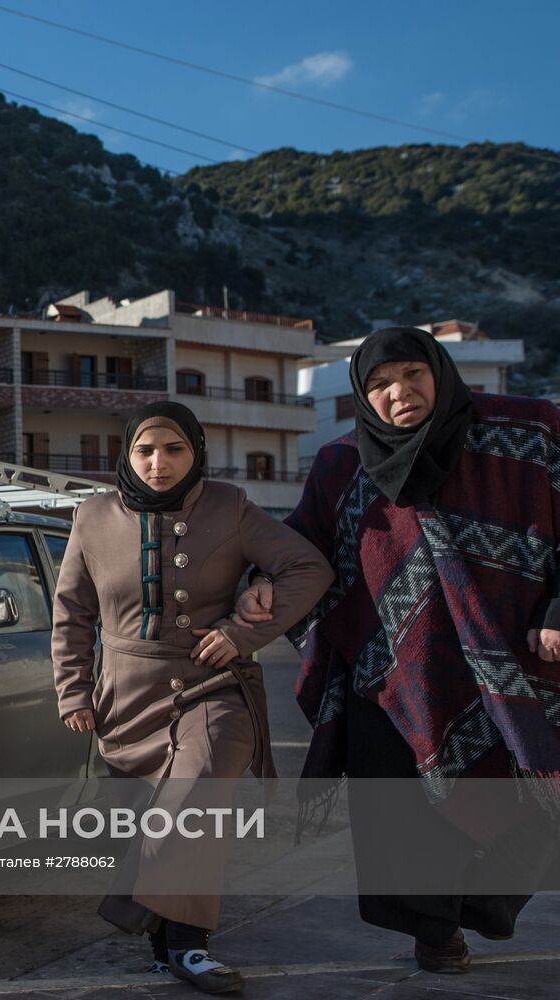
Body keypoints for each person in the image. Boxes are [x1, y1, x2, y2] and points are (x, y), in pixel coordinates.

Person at [234, 326, 560, 973]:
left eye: (411, 374)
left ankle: (481, 906)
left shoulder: (527, 435)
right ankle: (434, 933)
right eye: (379, 384)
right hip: (389, 672)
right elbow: (300, 545)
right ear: (362, 395)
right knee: (403, 820)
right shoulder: (339, 465)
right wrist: (260, 584)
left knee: (535, 805)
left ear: (439, 371)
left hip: (507, 668)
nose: (397, 393)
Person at [52, 401, 332, 993]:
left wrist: (242, 629)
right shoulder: (92, 516)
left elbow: (307, 568)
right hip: (126, 694)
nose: (159, 463)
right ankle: (164, 945)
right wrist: (73, 690)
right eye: (145, 450)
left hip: (213, 685)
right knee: (150, 820)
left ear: (195, 452)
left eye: (174, 449)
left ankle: (187, 946)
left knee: (196, 792)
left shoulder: (230, 506)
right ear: (126, 455)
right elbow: (73, 614)